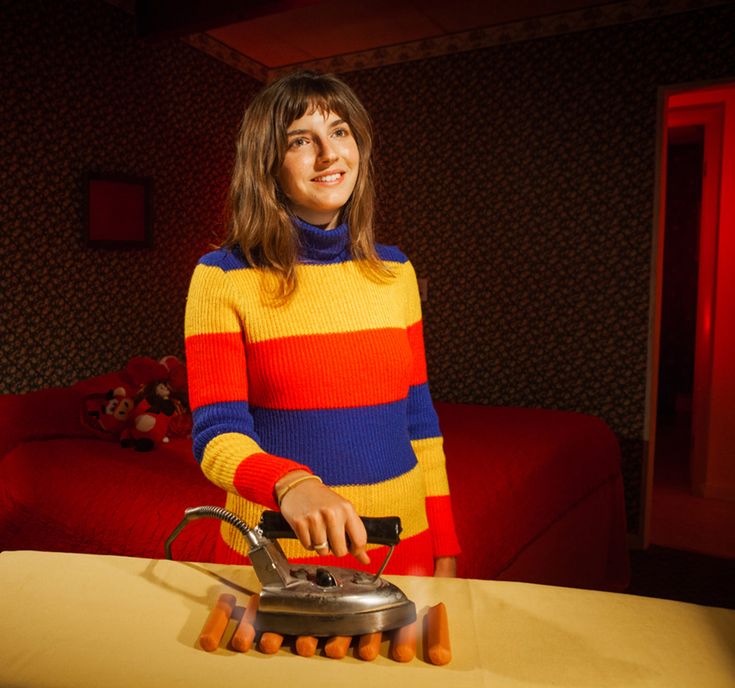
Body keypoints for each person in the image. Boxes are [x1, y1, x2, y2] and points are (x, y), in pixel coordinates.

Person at [184, 71, 459, 577]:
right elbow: (216, 434)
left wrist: (443, 542)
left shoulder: (396, 271)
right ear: (267, 163)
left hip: (403, 539)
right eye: (300, 140)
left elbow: (419, 420)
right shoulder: (221, 277)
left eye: (339, 132)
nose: (329, 154)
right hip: (275, 548)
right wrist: (291, 483)